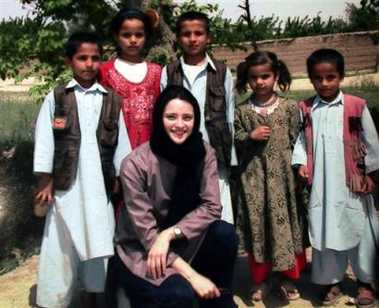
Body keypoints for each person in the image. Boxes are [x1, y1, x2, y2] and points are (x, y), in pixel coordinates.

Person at [107, 85, 239, 308]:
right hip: (143, 247)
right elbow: (147, 236)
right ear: (159, 119)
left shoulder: (203, 152)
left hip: (184, 238)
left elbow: (212, 206)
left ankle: (217, 299)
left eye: (187, 117)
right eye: (171, 117)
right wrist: (193, 276)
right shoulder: (135, 164)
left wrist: (170, 233)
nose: (180, 125)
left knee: (224, 234)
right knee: (178, 296)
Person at [33, 32, 131, 308]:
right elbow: (44, 139)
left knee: (98, 240)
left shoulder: (112, 100)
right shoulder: (58, 98)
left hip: (99, 187)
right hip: (66, 186)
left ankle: (93, 294)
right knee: (58, 245)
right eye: (82, 58)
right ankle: (54, 300)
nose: (89, 64)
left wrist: (121, 177)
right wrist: (45, 180)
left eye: (95, 58)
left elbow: (122, 144)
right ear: (69, 61)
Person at [292, 48, 379, 307]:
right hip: (322, 185)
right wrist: (300, 163)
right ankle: (331, 281)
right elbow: (300, 141)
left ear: (340, 76)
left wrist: (372, 176)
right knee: (325, 229)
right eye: (318, 78)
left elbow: (372, 142)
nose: (325, 83)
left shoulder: (356, 105)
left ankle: (365, 282)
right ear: (311, 79)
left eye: (331, 77)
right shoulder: (306, 109)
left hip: (352, 184)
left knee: (360, 229)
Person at [234, 51, 306, 302]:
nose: (260, 82)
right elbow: (234, 140)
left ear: (276, 76)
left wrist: (299, 171)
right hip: (253, 179)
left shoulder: (289, 107)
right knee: (259, 225)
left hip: (283, 180)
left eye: (266, 76)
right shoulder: (242, 110)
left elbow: (299, 141)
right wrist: (248, 136)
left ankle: (288, 277)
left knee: (284, 225)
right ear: (247, 79)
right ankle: (261, 279)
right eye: (254, 78)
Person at [160, 11, 237, 224]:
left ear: (208, 37)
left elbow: (230, 115)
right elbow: (162, 115)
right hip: (179, 155)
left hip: (215, 153)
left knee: (219, 216)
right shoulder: (169, 72)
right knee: (186, 214)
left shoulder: (221, 72)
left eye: (198, 33)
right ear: (177, 38)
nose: (192, 39)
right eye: (186, 34)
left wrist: (229, 160)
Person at [99, 8, 161, 150]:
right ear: (116, 36)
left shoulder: (157, 72)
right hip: (114, 150)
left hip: (152, 152)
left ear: (146, 36)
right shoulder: (104, 72)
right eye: (126, 35)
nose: (133, 40)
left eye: (139, 35)